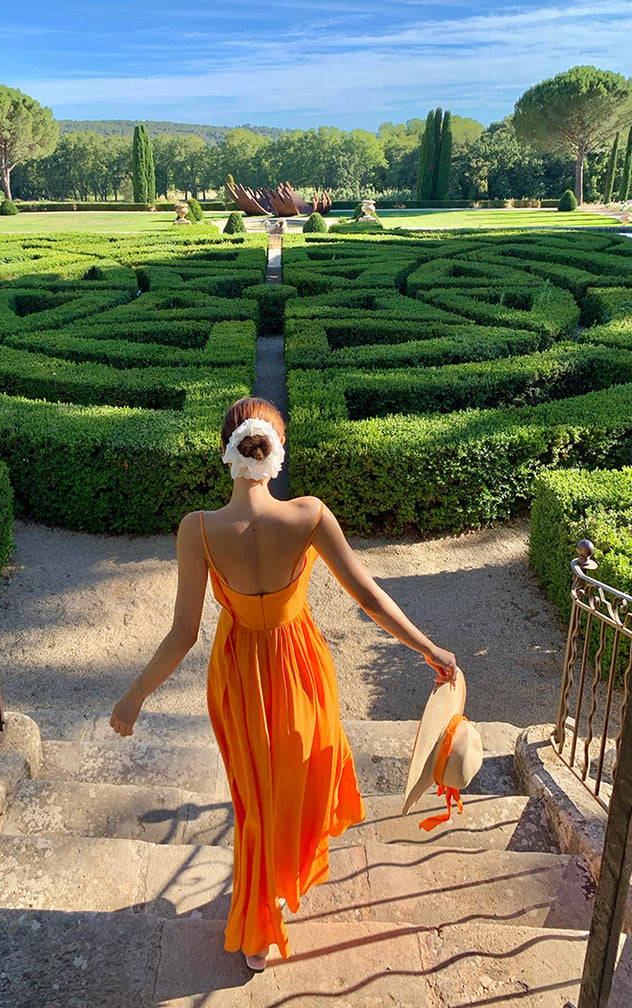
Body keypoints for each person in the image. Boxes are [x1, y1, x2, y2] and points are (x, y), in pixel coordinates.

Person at [110, 396, 456, 972]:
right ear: (276, 452)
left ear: (227, 451)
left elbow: (183, 635)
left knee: (255, 802)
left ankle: (258, 920)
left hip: (237, 677)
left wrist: (134, 697)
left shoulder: (197, 530)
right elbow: (370, 598)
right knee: (302, 779)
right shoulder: (309, 515)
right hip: (300, 670)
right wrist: (428, 649)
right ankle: (271, 894)